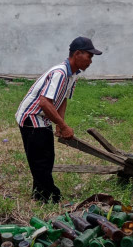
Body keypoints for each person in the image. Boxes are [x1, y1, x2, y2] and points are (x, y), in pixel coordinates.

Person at [15, 36, 102, 203]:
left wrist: (60, 125)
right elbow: (44, 102)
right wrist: (63, 125)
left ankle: (39, 193)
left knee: (47, 157)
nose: (90, 61)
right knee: (40, 159)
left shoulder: (73, 75)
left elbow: (62, 99)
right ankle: (50, 196)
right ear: (77, 54)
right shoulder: (60, 73)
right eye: (89, 56)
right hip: (31, 117)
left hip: (42, 117)